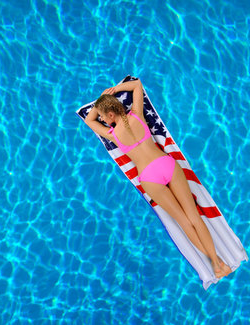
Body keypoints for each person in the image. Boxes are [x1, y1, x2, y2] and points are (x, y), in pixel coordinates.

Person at [83, 79, 232, 278]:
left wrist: (100, 100)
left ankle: (217, 265)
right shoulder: (137, 116)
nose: (101, 119)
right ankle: (219, 261)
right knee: (194, 216)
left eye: (103, 116)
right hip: (166, 164)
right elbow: (137, 85)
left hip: (148, 177)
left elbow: (89, 120)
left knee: (184, 222)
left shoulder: (113, 134)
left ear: (110, 114)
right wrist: (113, 91)